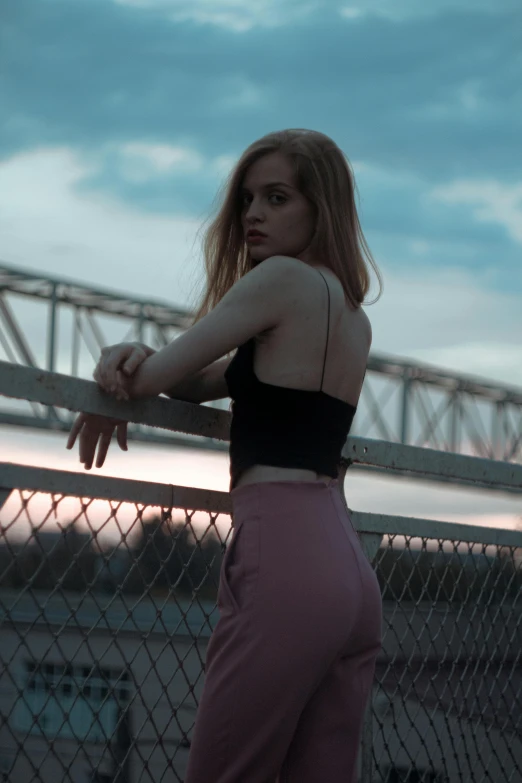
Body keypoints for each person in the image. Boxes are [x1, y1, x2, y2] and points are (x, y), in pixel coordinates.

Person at [67, 128, 384, 783]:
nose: (253, 216)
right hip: (350, 569)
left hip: (285, 553)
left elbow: (156, 377)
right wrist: (137, 359)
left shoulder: (278, 281)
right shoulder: (352, 315)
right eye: (247, 200)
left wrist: (113, 363)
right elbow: (195, 376)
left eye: (276, 197)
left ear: (319, 208)